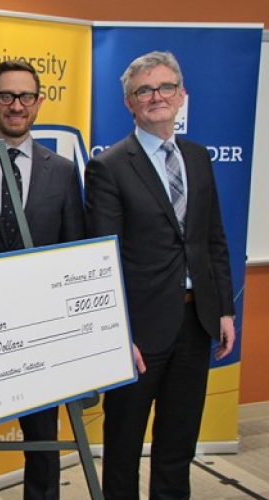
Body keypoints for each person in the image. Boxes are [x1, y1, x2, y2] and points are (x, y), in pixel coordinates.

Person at [84, 51, 235, 500]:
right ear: (129, 102)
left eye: (165, 87)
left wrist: (225, 309)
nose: (156, 97)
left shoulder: (198, 157)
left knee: (178, 443)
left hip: (196, 323)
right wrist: (117, 333)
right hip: (139, 333)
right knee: (125, 444)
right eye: (144, 90)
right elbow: (102, 261)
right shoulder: (109, 166)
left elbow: (213, 241)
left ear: (182, 95)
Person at [0, 59, 86, 500]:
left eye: (24, 97)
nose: (15, 105)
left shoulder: (61, 170)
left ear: (38, 103)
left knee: (42, 438)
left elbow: (74, 250)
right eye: (6, 96)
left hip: (42, 332)